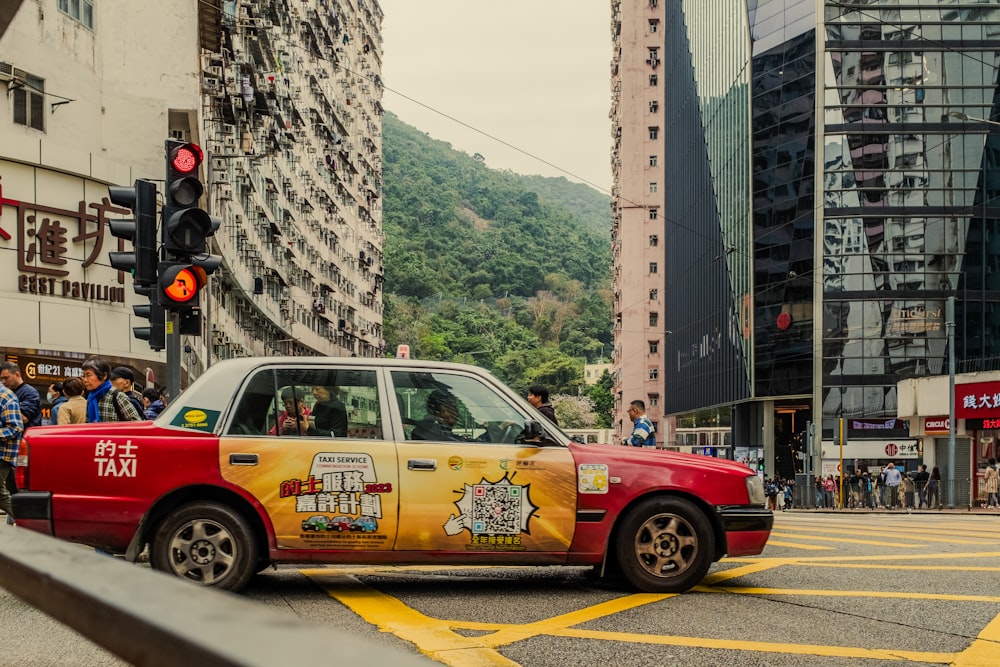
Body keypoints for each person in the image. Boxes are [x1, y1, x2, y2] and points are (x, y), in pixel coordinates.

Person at [0, 361, 41, 501]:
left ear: (17, 374)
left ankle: (25, 518)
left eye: (6, 378)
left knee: (19, 489)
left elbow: (21, 419)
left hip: (25, 446)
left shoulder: (29, 392)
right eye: (1, 379)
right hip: (11, 448)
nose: (3, 381)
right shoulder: (9, 393)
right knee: (11, 491)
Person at [81, 357, 143, 422]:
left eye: (88, 375)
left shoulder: (118, 396)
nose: (85, 380)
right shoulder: (91, 398)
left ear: (104, 376)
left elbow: (137, 424)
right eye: (83, 376)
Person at [0, 383, 24, 522]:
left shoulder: (5, 397)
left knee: (1, 495)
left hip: (3, 453)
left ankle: (29, 525)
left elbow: (15, 427)